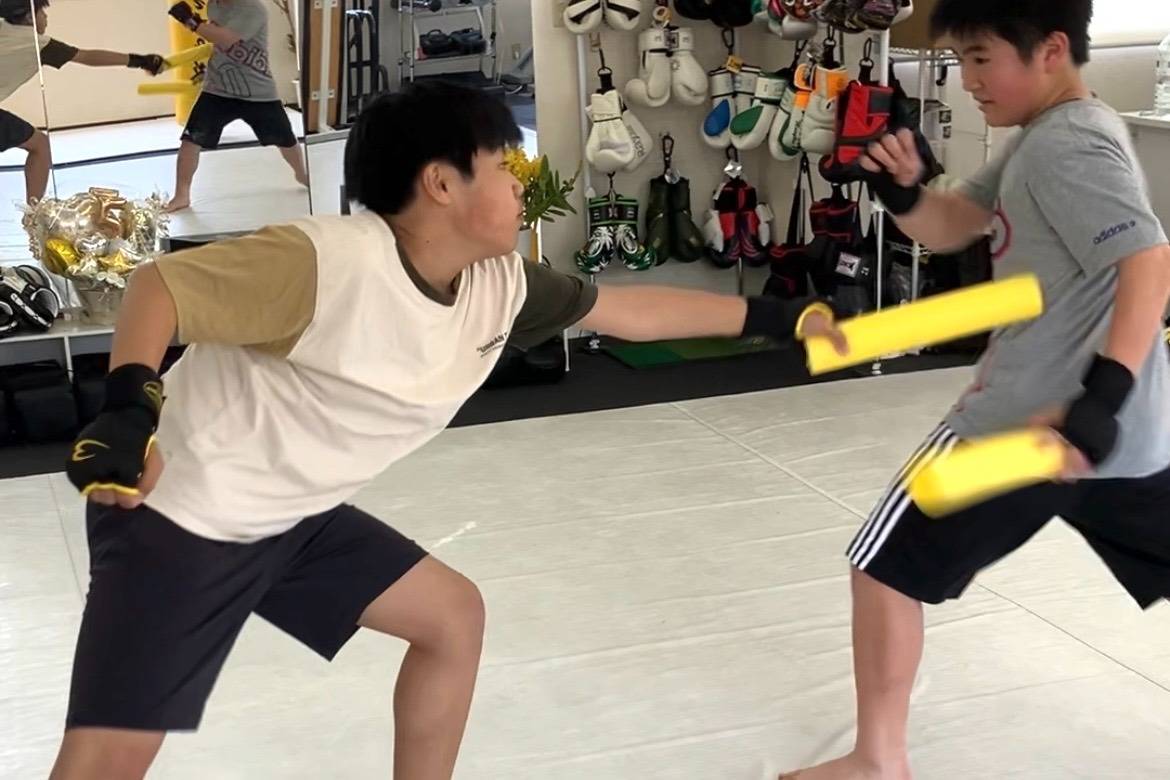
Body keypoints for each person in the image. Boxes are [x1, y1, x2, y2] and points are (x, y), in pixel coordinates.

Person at [50, 80, 846, 779]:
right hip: (180, 515)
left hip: (290, 516)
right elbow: (161, 286)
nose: (521, 182)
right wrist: (128, 407)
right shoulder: (326, 263)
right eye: (504, 165)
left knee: (450, 618)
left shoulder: (498, 284)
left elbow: (631, 312)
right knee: (106, 763)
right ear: (440, 182)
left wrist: (779, 318)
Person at [783, 1, 1170, 778]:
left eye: (982, 58)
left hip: (1029, 431)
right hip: (1121, 436)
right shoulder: (1049, 133)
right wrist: (904, 188)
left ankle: (877, 763)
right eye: (960, 60)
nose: (969, 80)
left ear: (1051, 49)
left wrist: (1097, 401)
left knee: (882, 564)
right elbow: (954, 222)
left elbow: (1148, 262)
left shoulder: (1067, 144)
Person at [0, 0, 163, 203]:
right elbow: (88, 57)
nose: (46, 17)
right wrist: (140, 61)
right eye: (42, 12)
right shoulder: (38, 44)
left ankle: (33, 212)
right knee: (40, 145)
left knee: (39, 143)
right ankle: (33, 213)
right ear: (29, 17)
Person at [163, 0, 308, 211]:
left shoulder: (253, 9)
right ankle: (182, 195)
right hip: (217, 89)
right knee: (190, 140)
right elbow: (215, 34)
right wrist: (196, 23)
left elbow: (226, 38)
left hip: (258, 92)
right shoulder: (215, 5)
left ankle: (302, 174)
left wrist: (191, 22)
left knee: (285, 139)